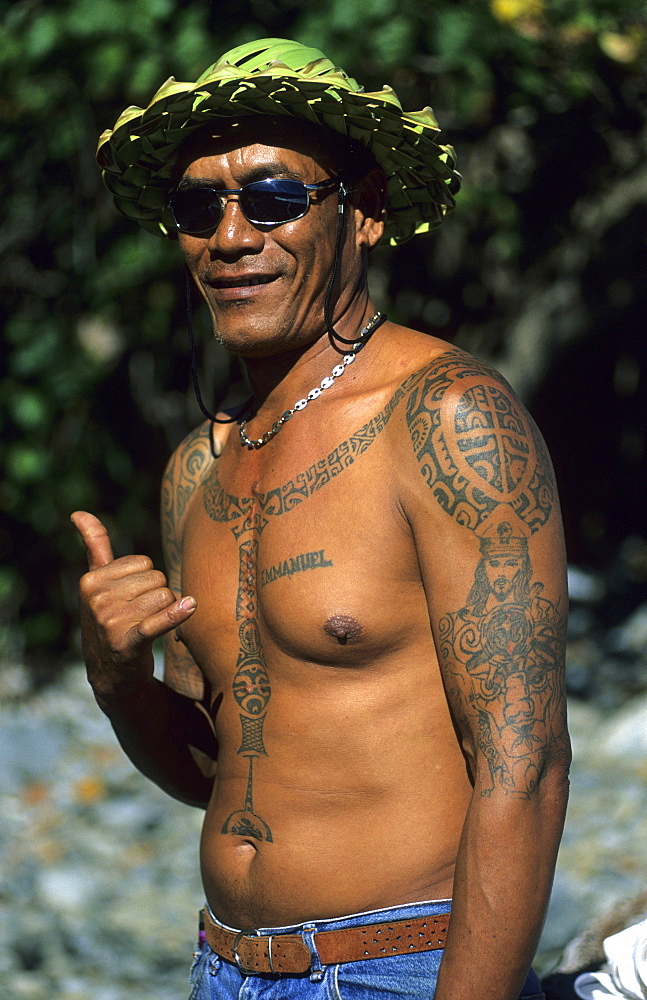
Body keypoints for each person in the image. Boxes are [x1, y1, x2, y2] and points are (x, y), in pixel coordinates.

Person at [71, 38, 571, 1000]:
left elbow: (528, 768)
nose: (229, 237)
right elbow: (215, 767)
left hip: (396, 968)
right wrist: (117, 677)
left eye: (271, 199)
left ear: (365, 212)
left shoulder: (446, 417)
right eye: (196, 207)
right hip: (224, 966)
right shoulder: (199, 468)